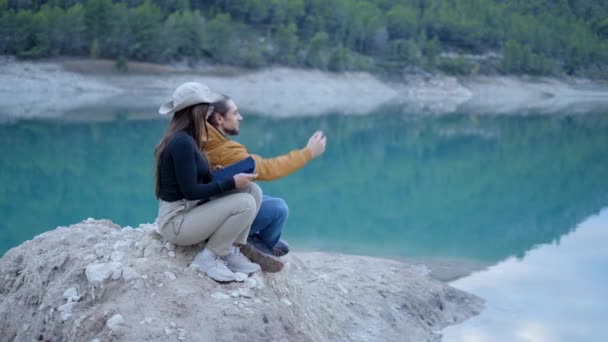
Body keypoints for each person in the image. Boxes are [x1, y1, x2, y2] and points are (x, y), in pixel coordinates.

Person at [203, 94, 327, 272]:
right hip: (218, 215)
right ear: (219, 118)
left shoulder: (203, 136)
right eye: (235, 113)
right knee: (279, 209)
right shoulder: (224, 151)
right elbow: (269, 169)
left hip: (213, 205)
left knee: (262, 198)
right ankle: (255, 243)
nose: (240, 118)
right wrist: (308, 153)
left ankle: (260, 240)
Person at [154, 82, 263, 282]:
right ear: (198, 110)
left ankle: (230, 250)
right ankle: (209, 258)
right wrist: (231, 182)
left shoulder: (190, 138)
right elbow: (191, 191)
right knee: (245, 203)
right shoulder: (182, 143)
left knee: (252, 190)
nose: (211, 111)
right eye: (209, 107)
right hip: (177, 223)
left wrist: (214, 174)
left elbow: (191, 180)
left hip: (190, 209)